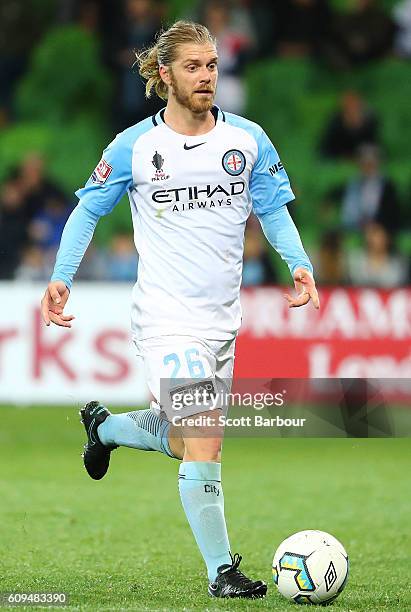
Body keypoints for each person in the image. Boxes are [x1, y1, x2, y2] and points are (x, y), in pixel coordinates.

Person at [40, 20, 319, 599]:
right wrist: (61, 278)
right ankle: (221, 572)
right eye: (193, 67)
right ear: (165, 74)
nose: (206, 77)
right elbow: (88, 210)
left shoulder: (247, 140)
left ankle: (110, 427)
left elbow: (271, 209)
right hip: (165, 320)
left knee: (180, 441)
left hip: (222, 322)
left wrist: (299, 263)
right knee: (206, 436)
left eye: (212, 66)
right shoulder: (135, 147)